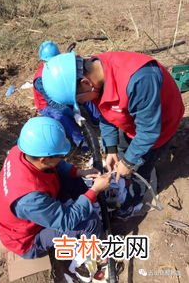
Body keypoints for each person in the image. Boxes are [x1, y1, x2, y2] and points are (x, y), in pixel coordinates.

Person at [41, 51, 185, 216]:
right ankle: (124, 179)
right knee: (122, 155)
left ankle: (132, 202)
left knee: (141, 164)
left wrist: (129, 162)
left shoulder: (140, 79)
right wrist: (111, 149)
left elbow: (149, 132)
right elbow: (105, 113)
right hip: (131, 120)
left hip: (160, 123)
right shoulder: (95, 73)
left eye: (80, 100)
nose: (83, 103)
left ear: (85, 83)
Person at [0, 116, 111, 282]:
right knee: (89, 221)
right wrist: (95, 190)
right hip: (27, 240)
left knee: (72, 179)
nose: (64, 158)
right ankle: (90, 257)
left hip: (29, 212)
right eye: (61, 155)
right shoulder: (28, 198)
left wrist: (78, 172)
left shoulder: (22, 151)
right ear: (44, 159)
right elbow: (67, 221)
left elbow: (58, 164)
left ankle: (86, 208)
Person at [33, 40, 89, 150]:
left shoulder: (58, 67)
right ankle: (81, 142)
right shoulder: (40, 79)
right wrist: (74, 114)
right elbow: (52, 102)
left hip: (62, 96)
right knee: (61, 116)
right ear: (43, 61)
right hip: (47, 106)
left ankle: (97, 121)